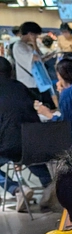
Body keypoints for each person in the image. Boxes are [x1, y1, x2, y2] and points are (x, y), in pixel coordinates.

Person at [0, 57, 55, 212]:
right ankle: (49, 185)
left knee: (14, 149)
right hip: (34, 142)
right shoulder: (20, 86)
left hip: (8, 145)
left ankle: (16, 189)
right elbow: (35, 102)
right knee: (29, 155)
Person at [12, 21, 55, 107]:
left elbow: (38, 57)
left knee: (47, 106)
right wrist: (34, 43)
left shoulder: (27, 45)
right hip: (29, 83)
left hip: (38, 82)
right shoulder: (19, 46)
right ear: (30, 33)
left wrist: (35, 45)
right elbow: (34, 58)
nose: (36, 37)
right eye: (35, 35)